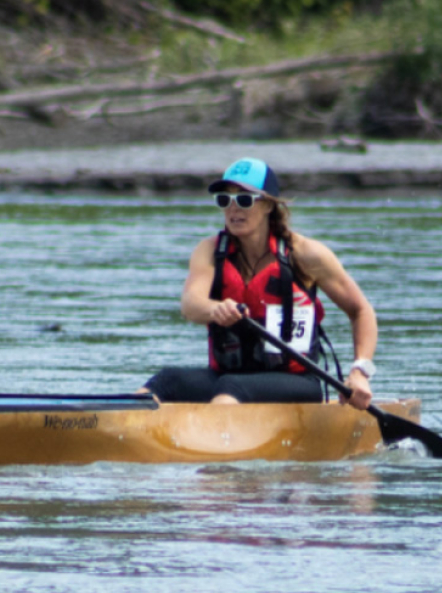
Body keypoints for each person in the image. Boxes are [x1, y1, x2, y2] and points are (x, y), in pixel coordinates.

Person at [139, 157, 376, 409]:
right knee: (165, 382)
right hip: (228, 379)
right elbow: (190, 304)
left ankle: (211, 441)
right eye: (224, 200)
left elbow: (360, 310)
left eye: (243, 199)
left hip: (296, 382)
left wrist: (360, 372)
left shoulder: (307, 254)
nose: (233, 209)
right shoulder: (208, 251)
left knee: (231, 388)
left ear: (268, 205)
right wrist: (214, 310)